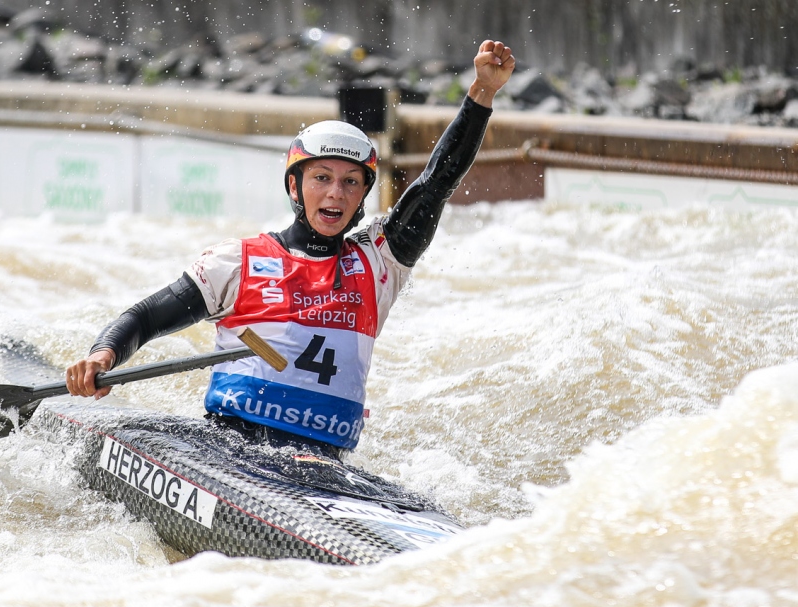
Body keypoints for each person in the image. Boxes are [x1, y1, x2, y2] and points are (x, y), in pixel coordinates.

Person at [66, 39, 515, 460]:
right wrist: (103, 354)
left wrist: (481, 93)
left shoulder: (380, 261)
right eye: (321, 178)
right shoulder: (235, 262)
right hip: (230, 453)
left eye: (350, 182)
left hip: (323, 465)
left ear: (363, 196)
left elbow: (435, 184)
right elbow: (144, 318)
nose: (335, 194)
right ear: (294, 187)